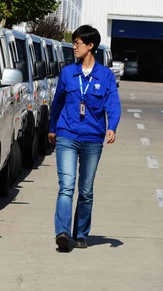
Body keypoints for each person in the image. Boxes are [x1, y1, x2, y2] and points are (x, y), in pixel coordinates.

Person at [48, 25, 121, 252]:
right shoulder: (68, 73)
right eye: (74, 43)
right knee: (66, 186)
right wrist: (52, 127)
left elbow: (113, 103)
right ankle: (62, 232)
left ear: (90, 46)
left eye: (78, 43)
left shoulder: (105, 76)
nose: (74, 47)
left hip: (92, 138)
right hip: (67, 135)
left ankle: (80, 234)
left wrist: (112, 127)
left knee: (86, 190)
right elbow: (58, 102)